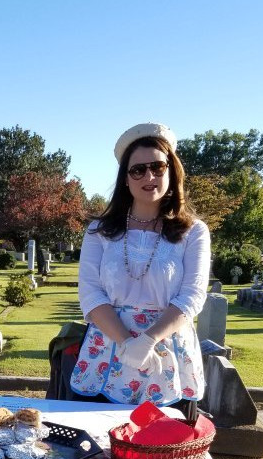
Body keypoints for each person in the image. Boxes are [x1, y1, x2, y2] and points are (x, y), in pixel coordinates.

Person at [69, 122, 210, 408]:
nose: (149, 175)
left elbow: (192, 296)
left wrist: (147, 340)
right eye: (138, 169)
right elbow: (91, 293)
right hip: (108, 350)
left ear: (171, 171)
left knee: (163, 448)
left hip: (167, 352)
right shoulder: (100, 231)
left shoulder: (193, 232)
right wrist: (125, 342)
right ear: (125, 178)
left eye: (157, 167)